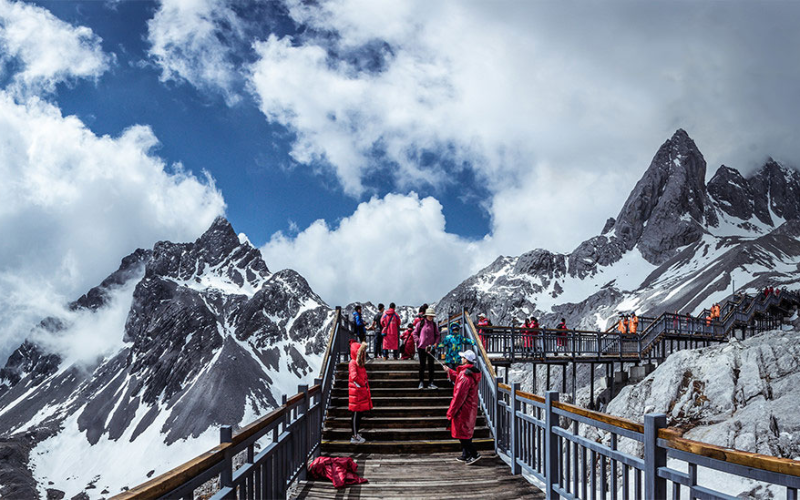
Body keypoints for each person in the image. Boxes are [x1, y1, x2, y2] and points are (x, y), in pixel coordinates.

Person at [443, 350, 482, 464]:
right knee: (465, 432)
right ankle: (466, 454)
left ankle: (474, 454)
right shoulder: (469, 373)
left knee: (462, 433)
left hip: (463, 408)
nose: (461, 359)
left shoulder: (465, 376)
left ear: (466, 360)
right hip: (469, 407)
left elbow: (459, 396)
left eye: (463, 357)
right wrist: (449, 371)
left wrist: (451, 411)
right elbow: (458, 377)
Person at [348, 341, 372, 444]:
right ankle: (354, 436)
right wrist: (363, 384)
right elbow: (354, 377)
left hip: (360, 392)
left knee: (358, 415)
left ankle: (356, 434)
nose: (363, 354)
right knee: (356, 415)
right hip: (357, 393)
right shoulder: (353, 363)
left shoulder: (358, 363)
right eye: (361, 352)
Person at [413, 307, 441, 389]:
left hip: (431, 347)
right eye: (429, 316)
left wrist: (436, 343)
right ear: (426, 315)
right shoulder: (420, 324)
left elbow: (437, 335)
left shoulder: (434, 325)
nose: (431, 317)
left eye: (432, 316)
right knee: (422, 365)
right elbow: (414, 333)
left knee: (431, 366)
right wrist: (418, 341)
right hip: (421, 347)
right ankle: (421, 382)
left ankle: (431, 382)